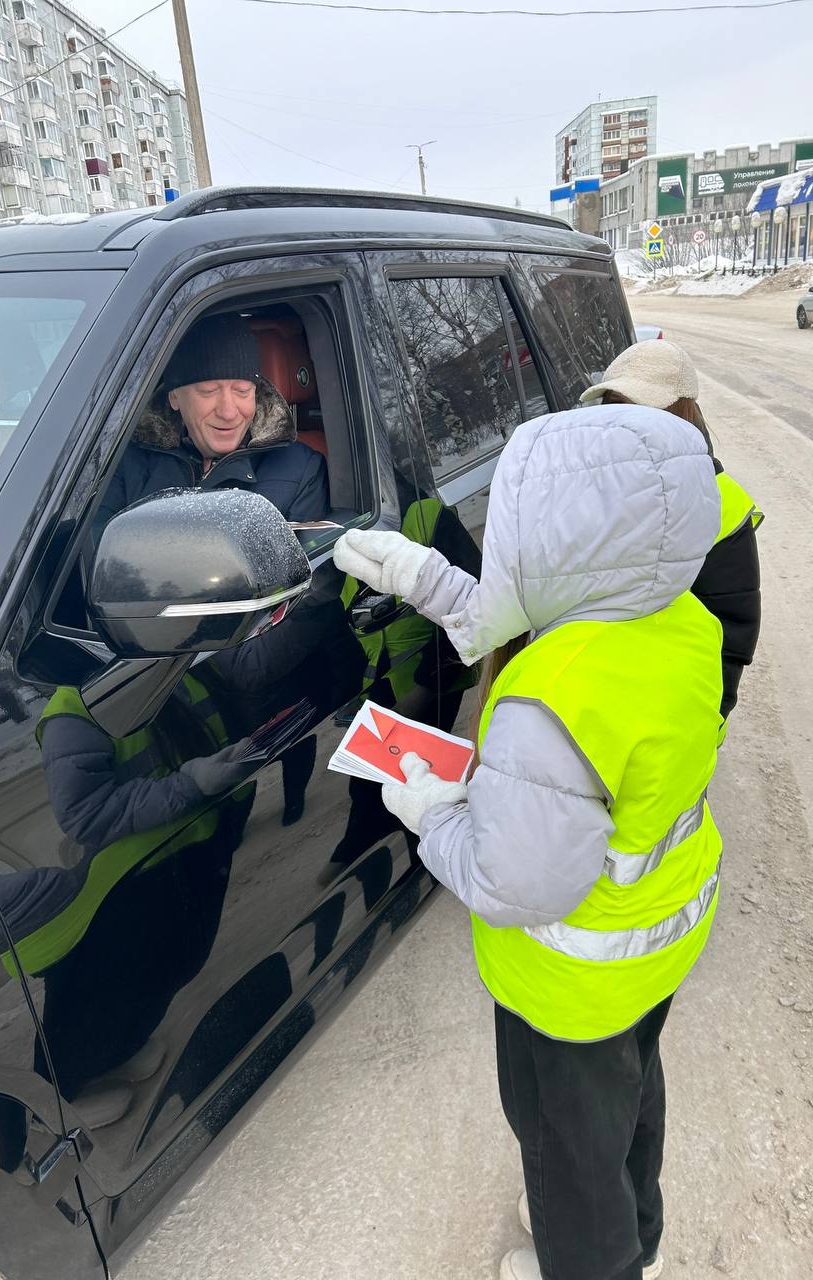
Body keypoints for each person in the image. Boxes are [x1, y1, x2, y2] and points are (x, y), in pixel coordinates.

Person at [333, 403, 724, 1280]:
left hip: (569, 980)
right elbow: (551, 612)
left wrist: (432, 812)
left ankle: (592, 1259)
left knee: (563, 1146)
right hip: (655, 938)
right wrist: (428, 578)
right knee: (628, 1103)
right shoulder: (675, 617)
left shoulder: (547, 700)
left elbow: (512, 883)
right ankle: (638, 1238)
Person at [581, 339, 762, 726]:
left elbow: (731, 635)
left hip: (669, 713)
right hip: (592, 702)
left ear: (678, 413)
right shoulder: (589, 484)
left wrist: (703, 725)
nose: (620, 421)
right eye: (612, 405)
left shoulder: (720, 504)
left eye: (637, 408)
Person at [96, 312, 329, 535]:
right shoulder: (126, 462)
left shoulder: (301, 469)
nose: (228, 412)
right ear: (174, 397)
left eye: (242, 391)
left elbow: (305, 560)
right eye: (208, 391)